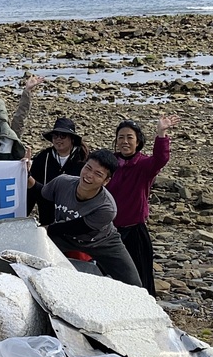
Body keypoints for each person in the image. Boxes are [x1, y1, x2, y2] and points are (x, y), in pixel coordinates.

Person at [37, 149, 143, 288]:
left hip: (102, 242)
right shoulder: (62, 182)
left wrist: (47, 229)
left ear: (106, 181)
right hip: (63, 236)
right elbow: (43, 197)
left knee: (134, 284)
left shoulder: (107, 207)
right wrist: (27, 177)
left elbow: (76, 228)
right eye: (88, 168)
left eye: (98, 174)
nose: (89, 175)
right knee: (31, 254)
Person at [106, 115, 180, 296]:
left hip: (134, 232)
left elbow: (161, 159)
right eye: (121, 137)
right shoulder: (109, 163)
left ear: (138, 141)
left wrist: (161, 133)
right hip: (108, 230)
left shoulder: (144, 165)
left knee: (140, 278)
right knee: (108, 275)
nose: (125, 141)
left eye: (129, 137)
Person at [27, 117, 89, 225]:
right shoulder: (43, 157)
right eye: (55, 136)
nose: (58, 139)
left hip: (74, 220)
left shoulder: (84, 160)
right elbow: (31, 190)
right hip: (47, 219)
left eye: (63, 136)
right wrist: (23, 214)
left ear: (72, 139)